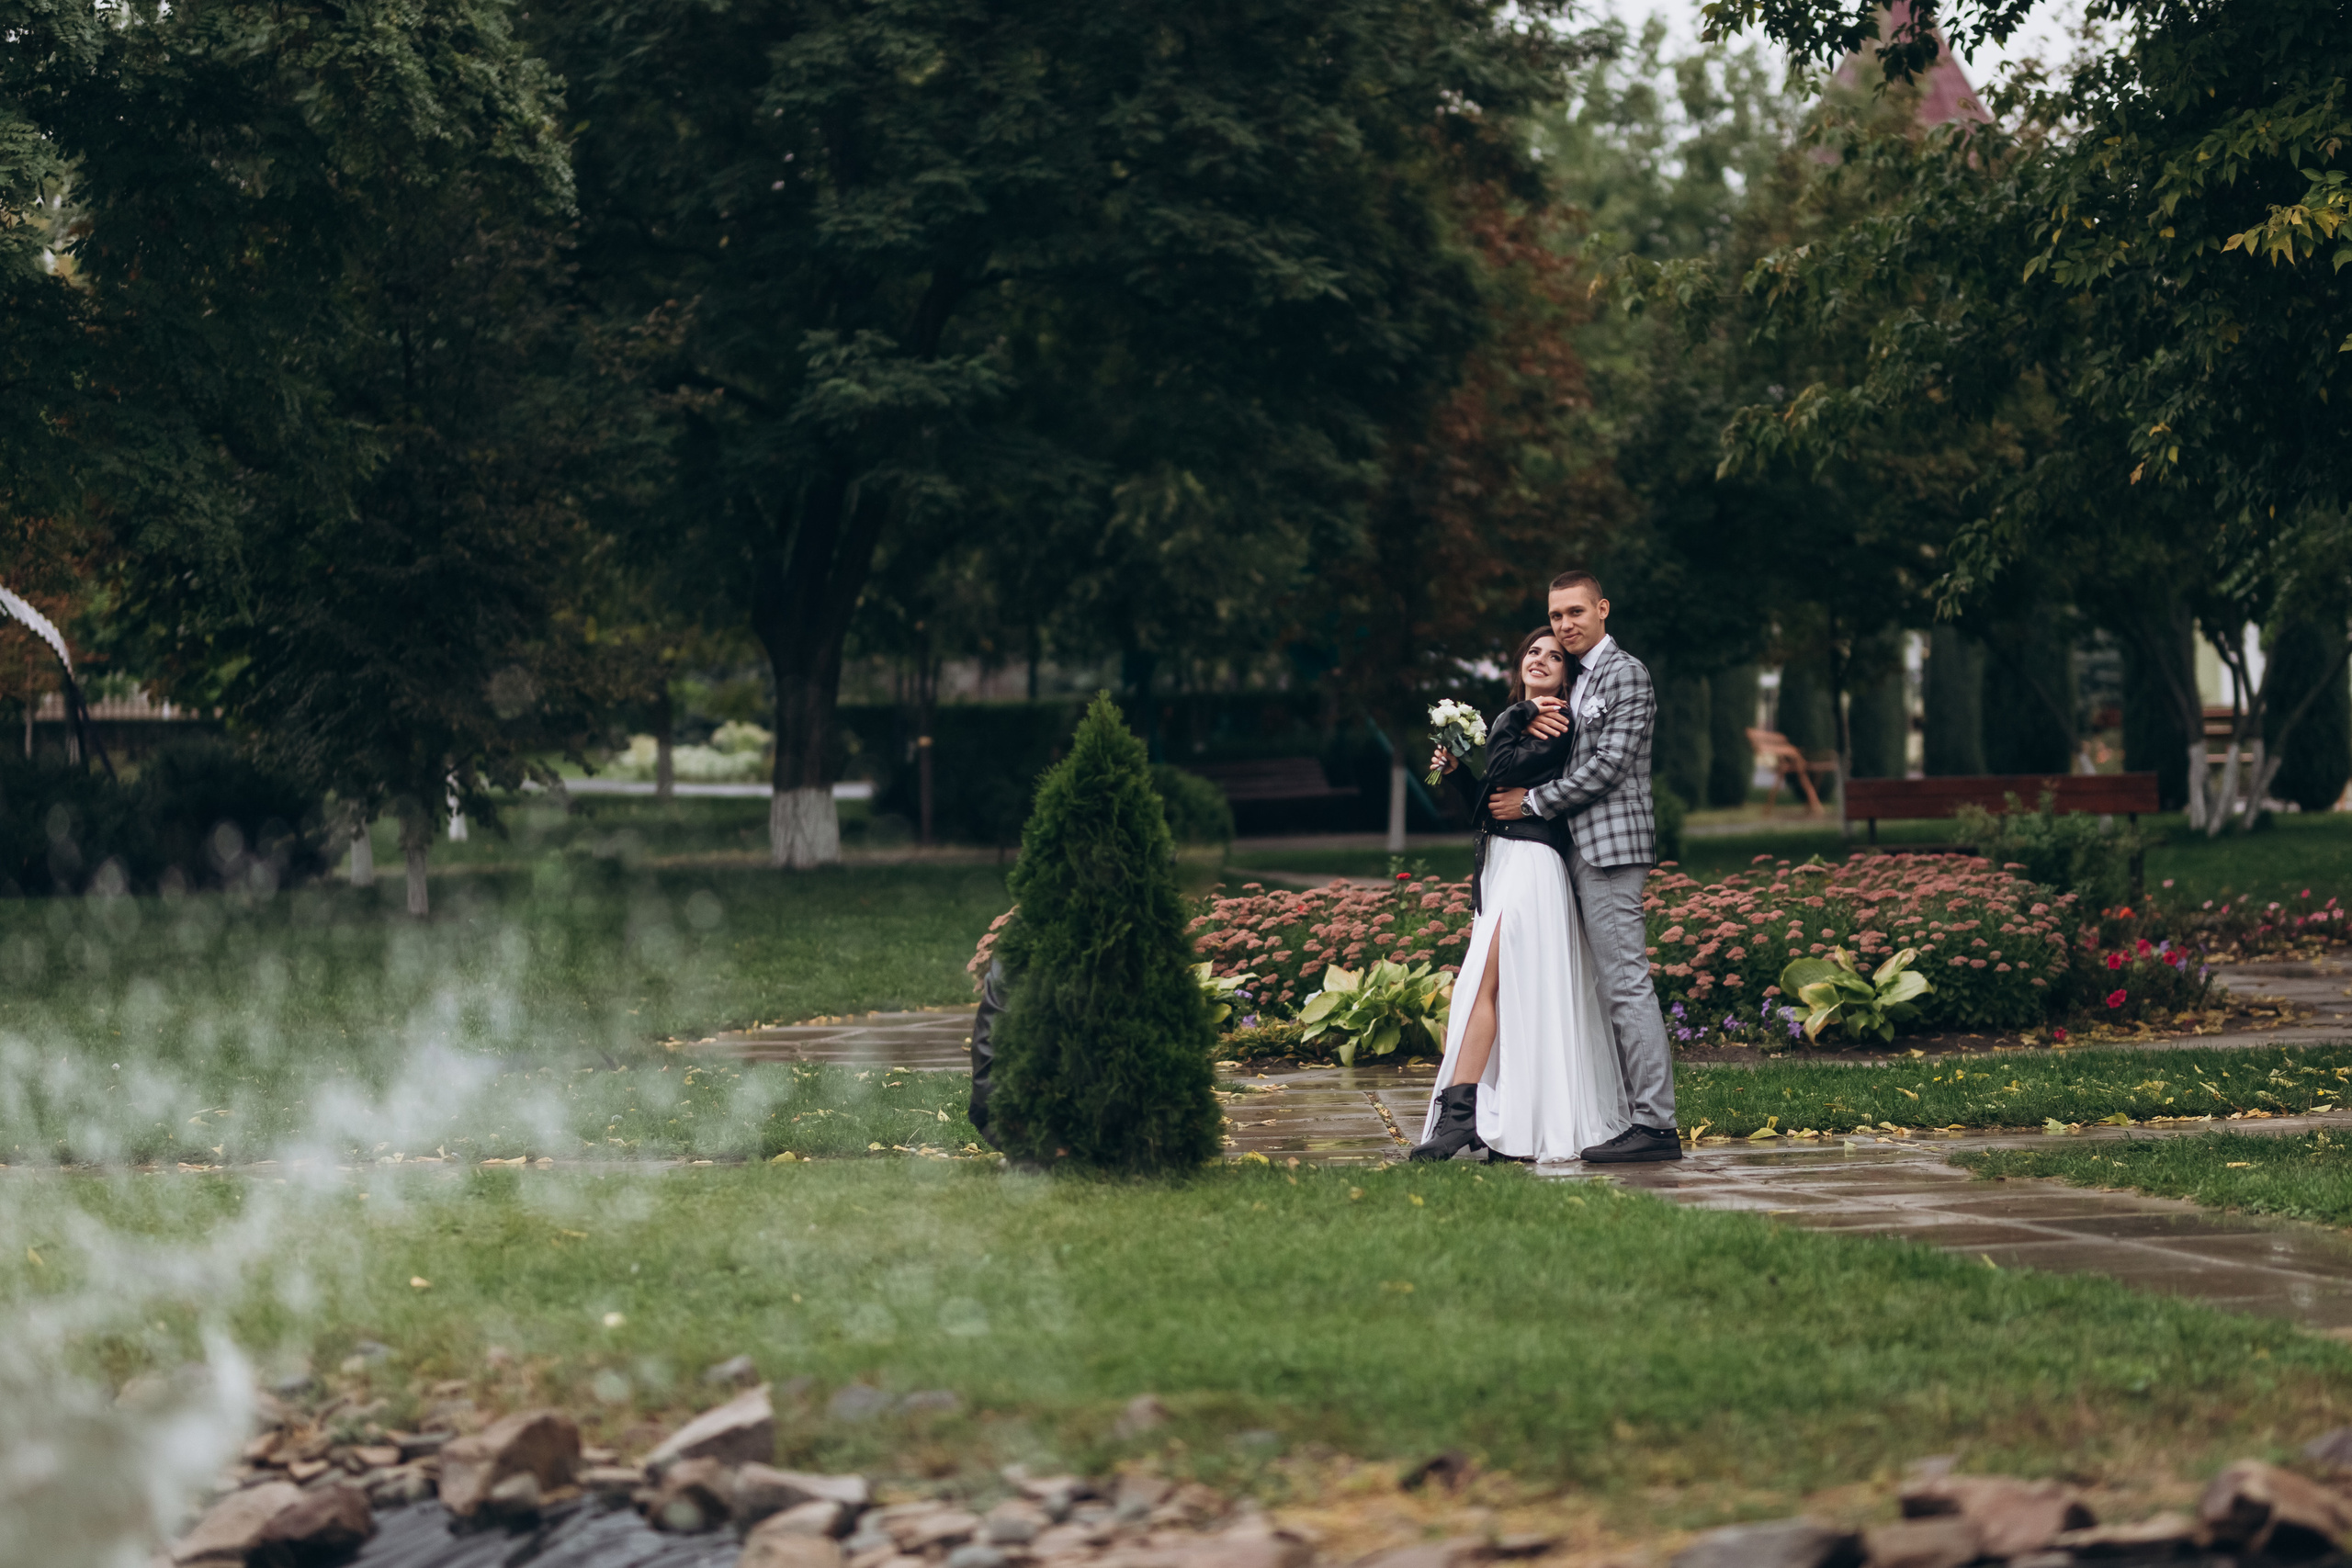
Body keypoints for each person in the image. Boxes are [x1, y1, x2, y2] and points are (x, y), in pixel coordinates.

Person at [1411, 627, 1631, 1164]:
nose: (1541, 659)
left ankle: (1459, 1117)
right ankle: (1507, 1119)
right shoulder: (1526, 720)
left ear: (1566, 675)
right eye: (1534, 651)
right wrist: (1463, 774)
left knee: (1485, 982)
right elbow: (1491, 803)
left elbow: (1508, 773)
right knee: (1508, 994)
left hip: (1532, 866)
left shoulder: (1553, 722)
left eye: (1555, 657)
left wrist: (1510, 720)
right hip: (1503, 863)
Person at [1486, 571, 1679, 1164]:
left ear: (1602, 609)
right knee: (1598, 988)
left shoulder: (1625, 673)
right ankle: (1620, 1112)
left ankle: (1655, 1126)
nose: (1566, 624)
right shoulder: (1574, 680)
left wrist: (1534, 804)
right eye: (1556, 615)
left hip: (1610, 850)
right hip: (1566, 851)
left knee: (1625, 984)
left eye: (1575, 612)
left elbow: (1610, 766)